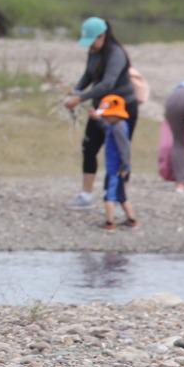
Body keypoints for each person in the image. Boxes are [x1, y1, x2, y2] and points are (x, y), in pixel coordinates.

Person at [63, 17, 138, 210]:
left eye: (92, 41)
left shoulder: (116, 54)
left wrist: (80, 99)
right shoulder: (93, 51)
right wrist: (76, 91)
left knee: (120, 153)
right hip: (101, 108)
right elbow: (88, 75)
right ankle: (86, 195)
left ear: (103, 36)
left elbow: (107, 84)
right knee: (89, 147)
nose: (91, 47)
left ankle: (120, 199)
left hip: (122, 109)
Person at [94, 94, 138, 232]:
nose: (105, 118)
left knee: (109, 195)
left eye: (107, 116)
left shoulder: (118, 128)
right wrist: (97, 119)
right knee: (121, 195)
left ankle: (109, 222)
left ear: (116, 114)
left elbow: (125, 148)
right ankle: (131, 220)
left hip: (116, 169)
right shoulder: (115, 124)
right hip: (114, 168)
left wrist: (125, 166)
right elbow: (105, 127)